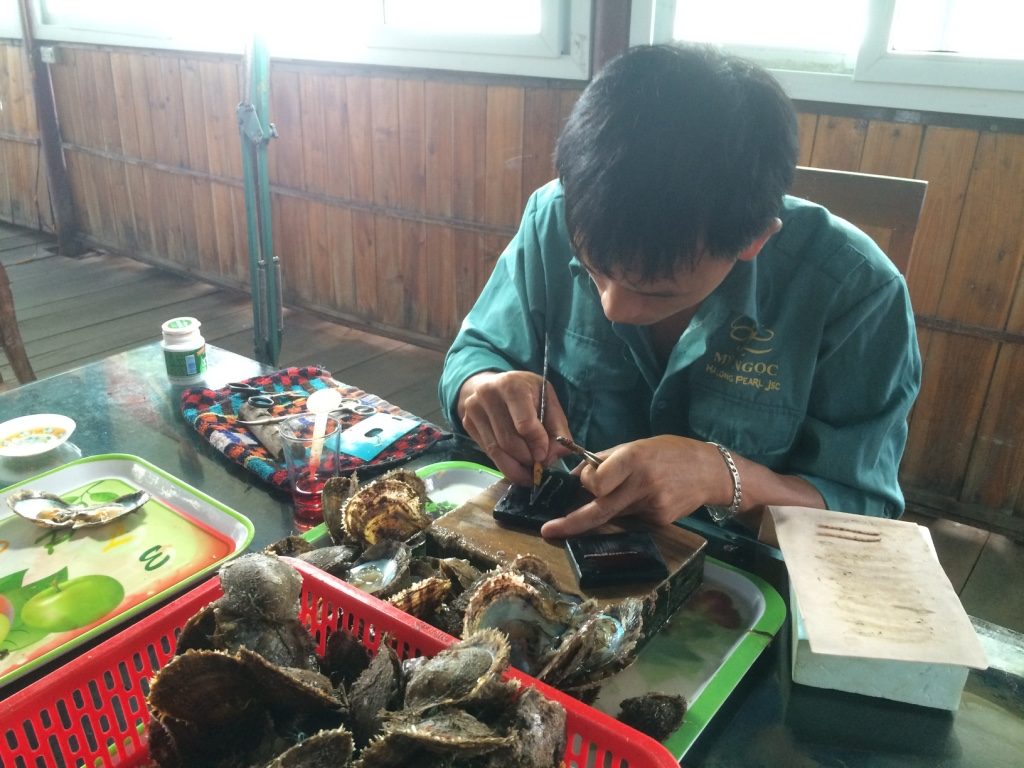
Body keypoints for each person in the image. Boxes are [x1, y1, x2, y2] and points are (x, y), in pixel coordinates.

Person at [438, 43, 921, 539]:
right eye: (594, 271)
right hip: (559, 542)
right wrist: (482, 387)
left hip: (738, 574)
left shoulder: (856, 292)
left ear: (754, 239)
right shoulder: (552, 215)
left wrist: (724, 476)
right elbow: (477, 352)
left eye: (658, 293)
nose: (614, 308)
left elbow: (862, 516)